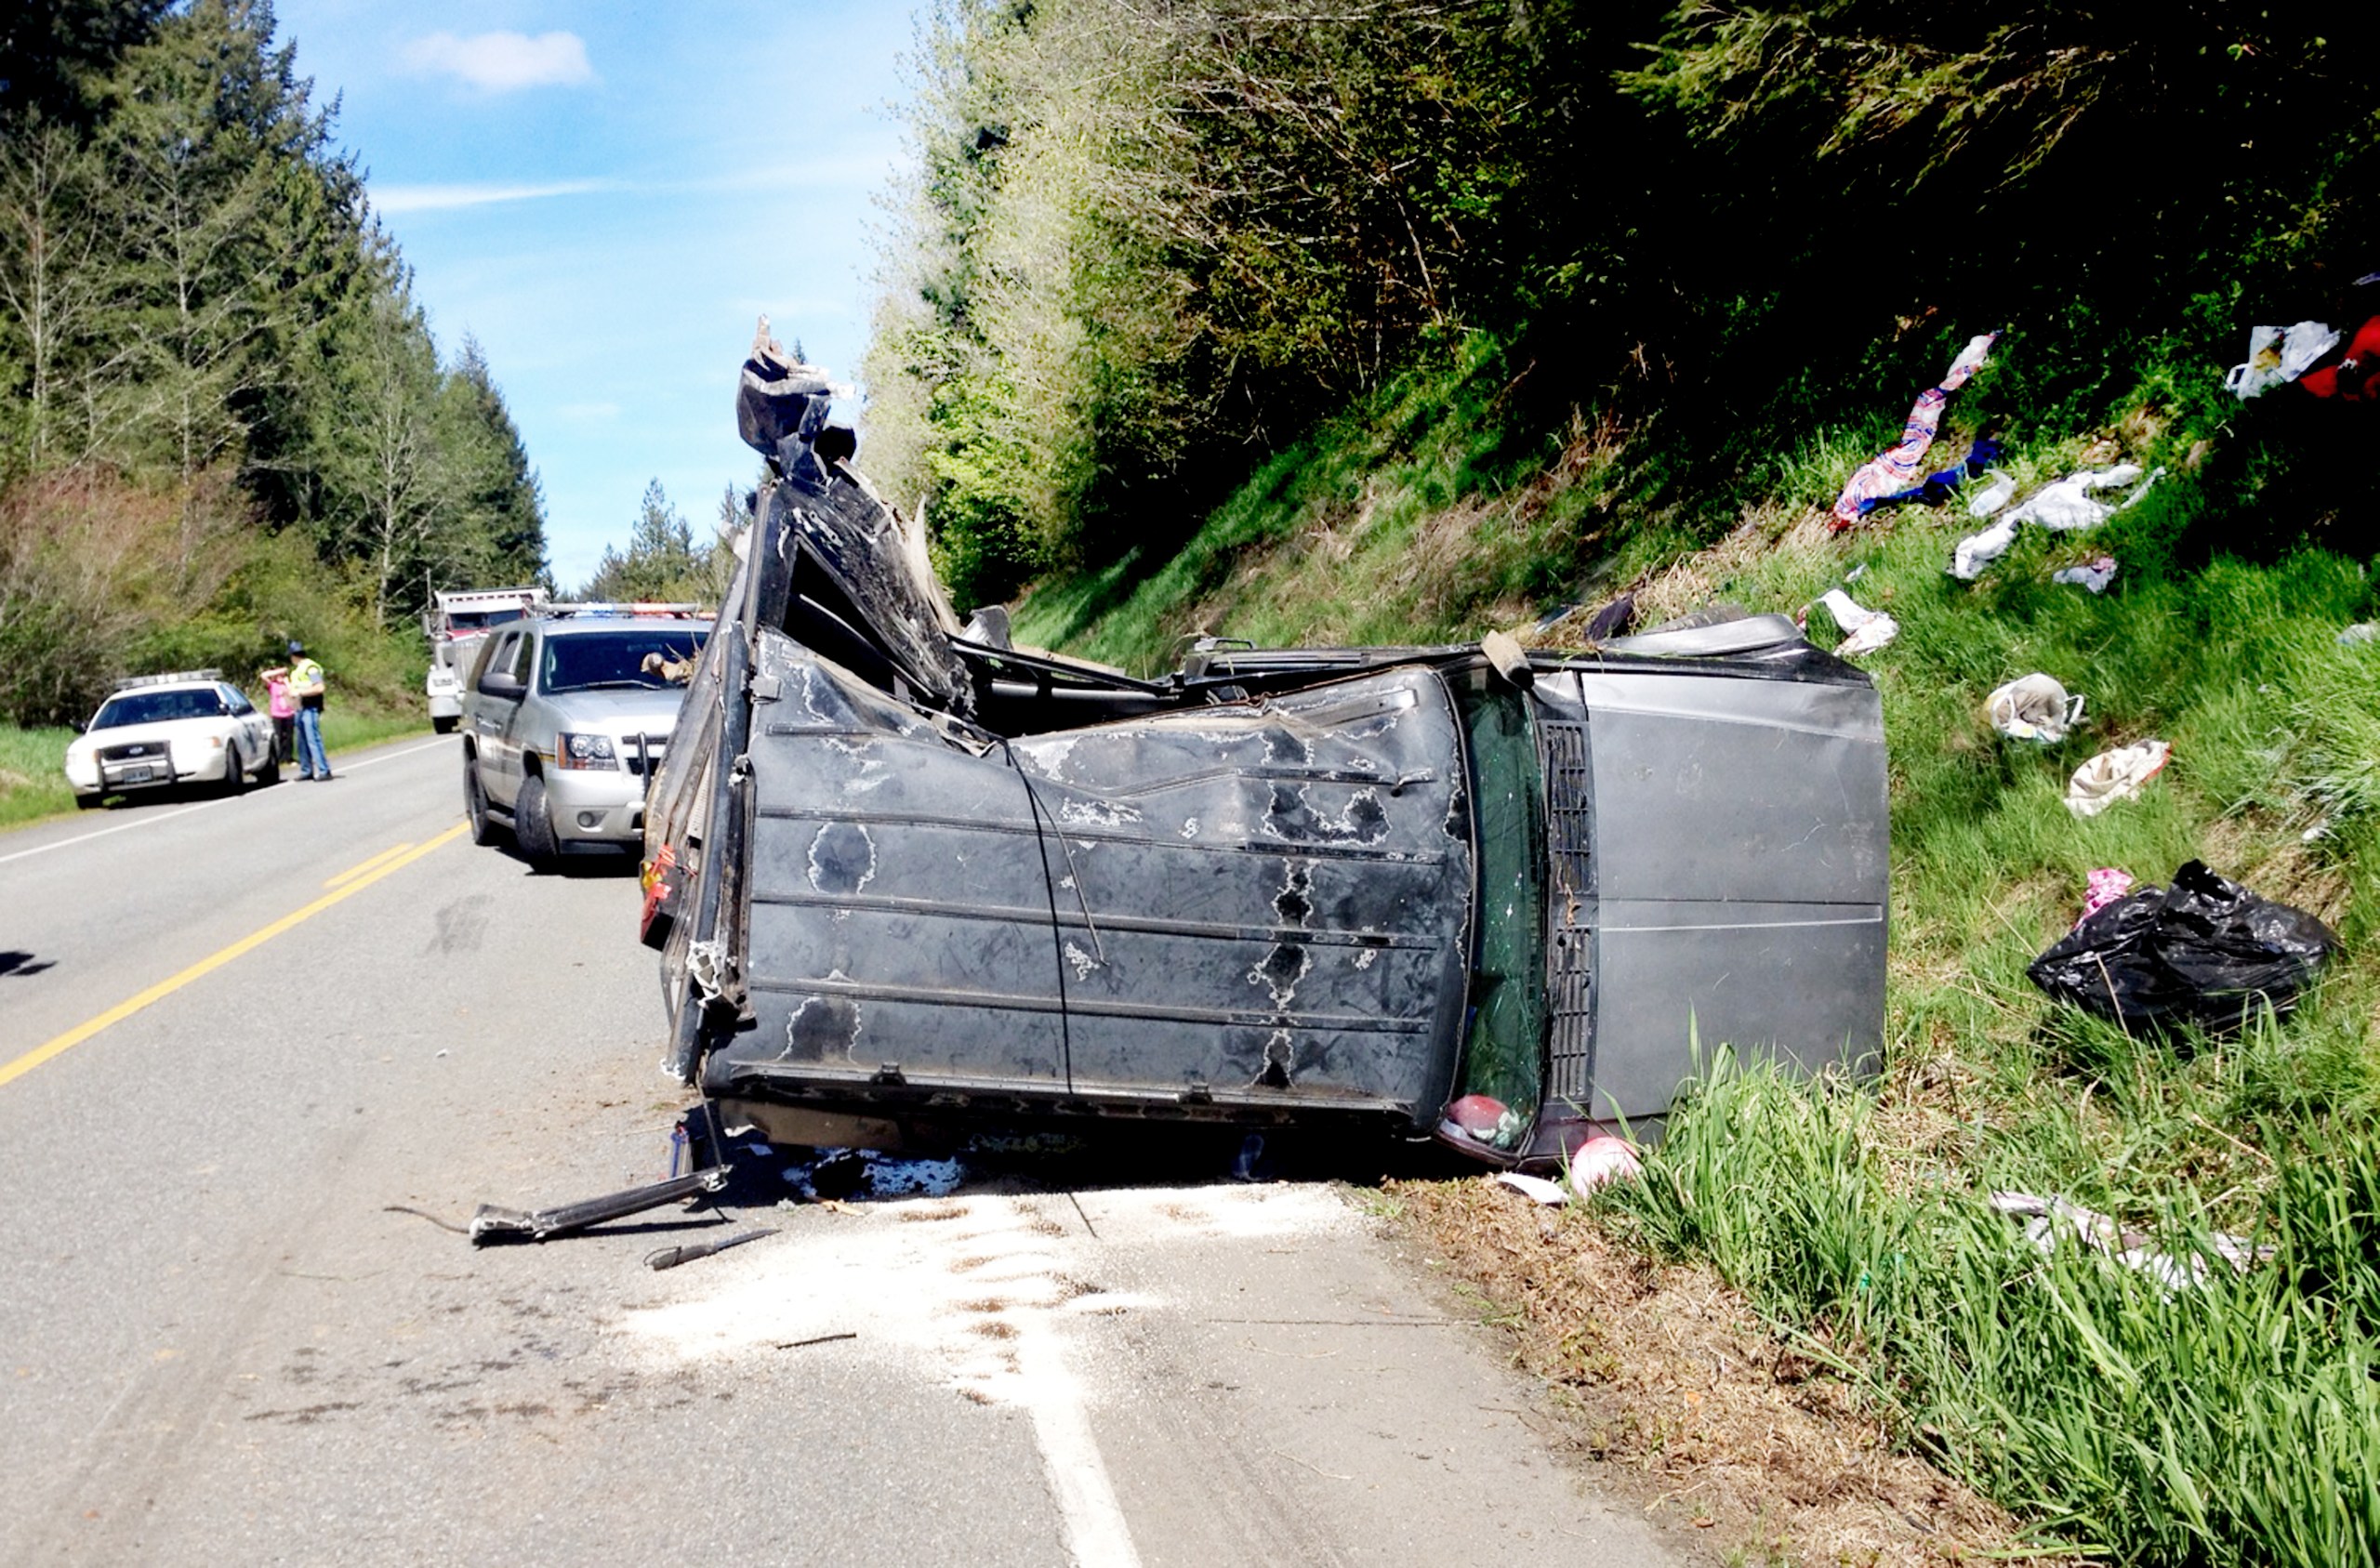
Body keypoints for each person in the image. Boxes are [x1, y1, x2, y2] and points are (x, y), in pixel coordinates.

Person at [285, 639, 331, 781]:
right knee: (302, 741)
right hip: (300, 708)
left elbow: (319, 687)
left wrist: (299, 693)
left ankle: (324, 770)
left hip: (310, 707)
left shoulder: (310, 667)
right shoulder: (296, 671)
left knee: (313, 739)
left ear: (293, 655)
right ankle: (306, 770)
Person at [258, 664, 295, 770]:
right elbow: (263, 675)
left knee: (288, 737)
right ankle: (279, 758)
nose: (280, 676)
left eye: (282, 675)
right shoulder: (272, 685)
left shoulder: (287, 684)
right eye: (278, 675)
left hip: (289, 713)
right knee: (278, 736)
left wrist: (286, 681)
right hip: (277, 714)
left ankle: (288, 757)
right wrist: (278, 671)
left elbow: (293, 694)